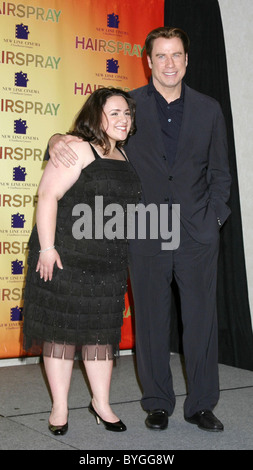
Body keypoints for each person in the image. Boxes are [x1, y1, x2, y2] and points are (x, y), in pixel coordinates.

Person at [47, 27, 231, 432]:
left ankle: (202, 404)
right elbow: (87, 136)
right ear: (148, 61)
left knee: (200, 320)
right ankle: (157, 402)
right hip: (145, 228)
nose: (169, 63)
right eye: (161, 56)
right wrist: (57, 137)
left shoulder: (209, 108)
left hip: (197, 231)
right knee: (151, 318)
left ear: (186, 60)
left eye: (176, 55)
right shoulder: (129, 106)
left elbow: (221, 171)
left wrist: (215, 218)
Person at [22, 87, 141, 435]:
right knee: (61, 334)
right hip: (64, 258)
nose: (123, 119)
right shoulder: (76, 147)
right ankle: (60, 407)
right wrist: (46, 248)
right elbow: (48, 195)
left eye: (127, 114)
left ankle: (100, 403)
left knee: (101, 336)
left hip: (107, 263)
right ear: (96, 116)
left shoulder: (123, 154)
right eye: (115, 113)